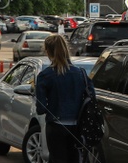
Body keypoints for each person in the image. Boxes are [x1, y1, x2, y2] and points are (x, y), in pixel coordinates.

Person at [36, 33, 94, 163]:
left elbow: (41, 108)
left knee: (56, 158)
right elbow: (91, 98)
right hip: (77, 127)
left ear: (48, 51)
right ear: (66, 50)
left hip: (56, 126)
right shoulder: (81, 74)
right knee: (74, 159)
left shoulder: (45, 76)